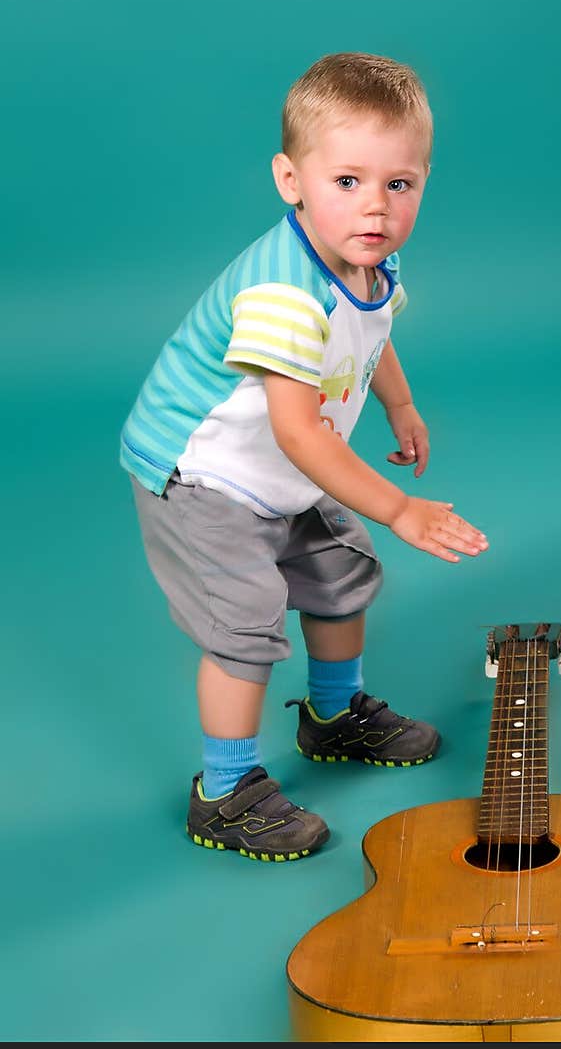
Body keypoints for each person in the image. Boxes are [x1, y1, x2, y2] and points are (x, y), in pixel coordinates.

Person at [120, 51, 489, 862]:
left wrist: (399, 402)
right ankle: (224, 790)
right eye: (347, 181)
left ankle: (333, 716)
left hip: (282, 470)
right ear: (292, 180)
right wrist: (396, 508)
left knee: (339, 575)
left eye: (400, 184)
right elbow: (297, 430)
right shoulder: (284, 292)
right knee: (244, 626)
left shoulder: (368, 256)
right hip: (206, 477)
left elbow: (375, 327)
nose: (376, 208)